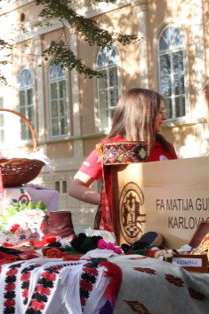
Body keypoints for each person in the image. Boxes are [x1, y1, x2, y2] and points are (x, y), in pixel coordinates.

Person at [67, 87, 177, 230]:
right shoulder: (110, 148)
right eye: (160, 112)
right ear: (144, 113)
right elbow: (75, 188)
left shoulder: (166, 147)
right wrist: (110, 202)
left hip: (163, 228)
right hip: (121, 231)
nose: (165, 117)